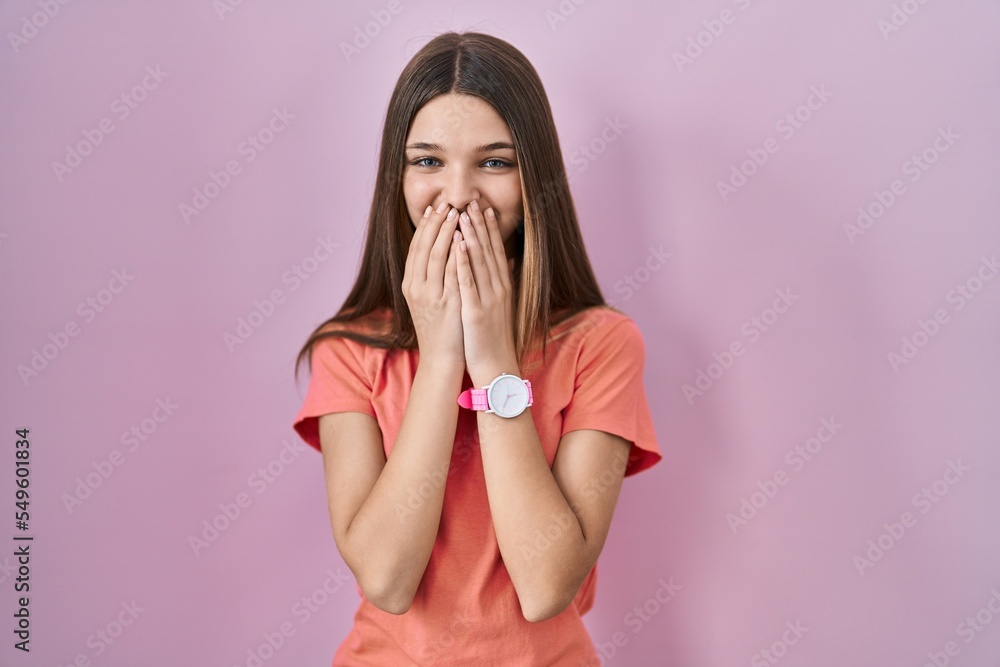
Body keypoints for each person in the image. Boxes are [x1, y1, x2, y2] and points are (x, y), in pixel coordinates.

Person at [292, 30, 661, 666]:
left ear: (533, 176)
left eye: (494, 162)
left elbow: (547, 586)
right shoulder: (347, 351)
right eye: (428, 162)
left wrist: (492, 362)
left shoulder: (601, 345)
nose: (458, 195)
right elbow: (386, 578)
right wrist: (440, 362)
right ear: (396, 177)